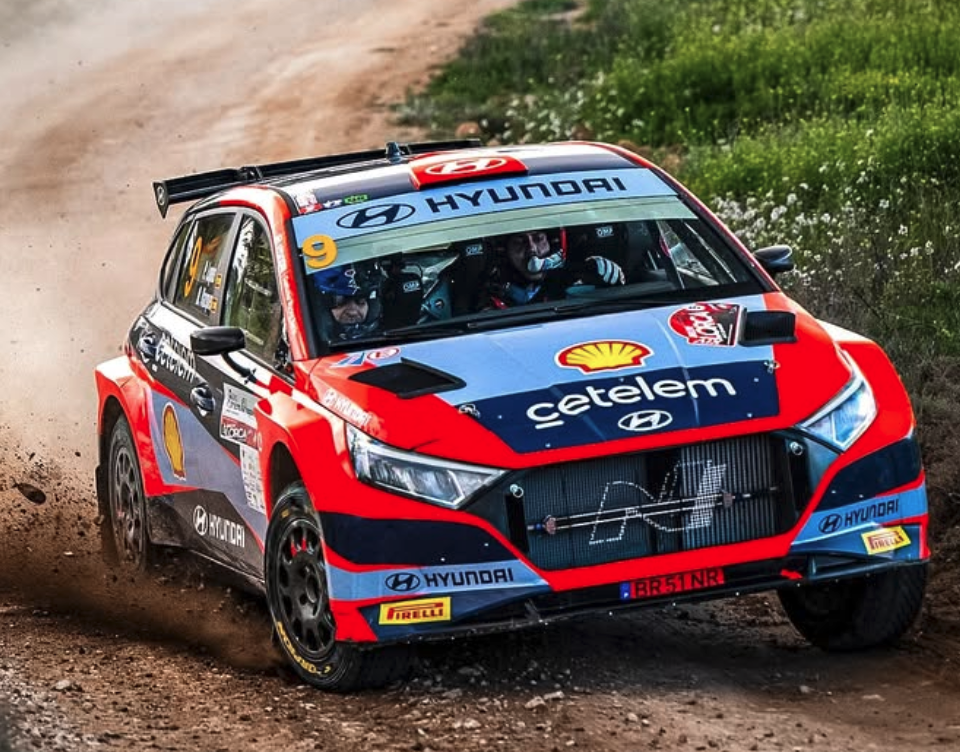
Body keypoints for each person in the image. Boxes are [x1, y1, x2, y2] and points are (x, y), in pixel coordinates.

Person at [486, 228, 625, 308]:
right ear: (505, 251)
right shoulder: (490, 297)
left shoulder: (584, 276)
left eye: (538, 239)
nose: (532, 250)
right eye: (519, 242)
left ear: (552, 243)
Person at [313, 262, 382, 341]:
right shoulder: (372, 275)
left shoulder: (321, 277)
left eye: (344, 319)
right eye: (358, 318)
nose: (352, 312)